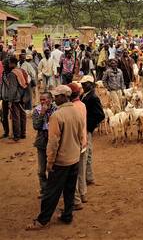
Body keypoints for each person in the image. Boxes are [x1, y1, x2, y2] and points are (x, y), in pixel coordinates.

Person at [26, 85, 85, 230]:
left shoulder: (57, 115)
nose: (55, 98)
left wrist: (50, 162)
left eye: (57, 96)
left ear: (64, 96)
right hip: (74, 158)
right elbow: (80, 136)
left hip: (61, 160)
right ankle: (67, 215)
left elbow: (53, 143)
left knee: (51, 192)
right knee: (69, 190)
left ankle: (42, 220)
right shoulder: (77, 112)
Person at [66, 82, 88, 210]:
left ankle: (76, 200)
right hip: (83, 141)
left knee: (71, 173)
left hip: (74, 144)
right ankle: (83, 193)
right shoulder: (82, 105)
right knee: (81, 170)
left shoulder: (71, 108)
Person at [80, 75, 105, 186]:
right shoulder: (84, 95)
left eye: (85, 84)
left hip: (87, 128)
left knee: (87, 153)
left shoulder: (93, 97)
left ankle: (88, 177)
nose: (83, 86)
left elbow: (100, 115)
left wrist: (89, 126)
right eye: (82, 84)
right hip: (85, 128)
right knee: (87, 153)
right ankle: (88, 177)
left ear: (90, 84)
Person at [32, 92, 57, 198]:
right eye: (41, 100)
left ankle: (53, 190)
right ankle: (44, 189)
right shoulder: (37, 110)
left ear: (51, 99)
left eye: (44, 99)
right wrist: (42, 113)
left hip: (53, 141)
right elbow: (36, 126)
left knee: (53, 167)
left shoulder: (56, 109)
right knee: (41, 170)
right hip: (42, 141)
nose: (42, 102)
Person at [6, 57, 28, 141]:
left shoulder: (12, 74)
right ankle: (23, 133)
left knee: (16, 117)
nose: (8, 65)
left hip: (16, 98)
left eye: (9, 63)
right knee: (22, 115)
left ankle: (16, 135)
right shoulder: (21, 71)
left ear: (12, 63)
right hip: (23, 96)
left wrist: (10, 100)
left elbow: (13, 88)